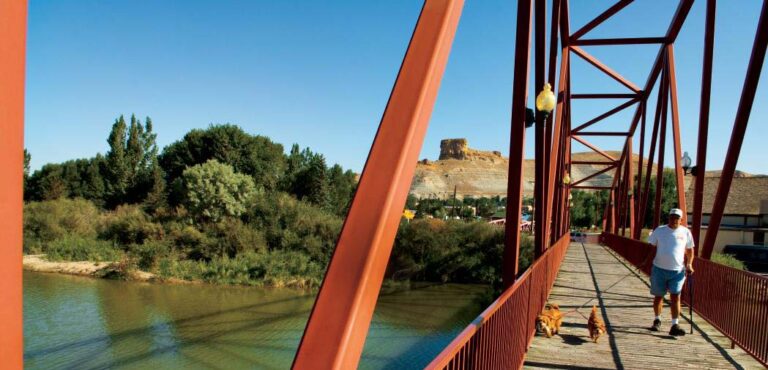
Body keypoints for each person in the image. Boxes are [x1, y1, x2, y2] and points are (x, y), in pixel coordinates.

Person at [647, 208, 695, 336]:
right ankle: (657, 320)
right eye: (672, 217)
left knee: (675, 296)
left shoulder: (685, 232)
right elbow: (650, 245)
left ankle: (675, 324)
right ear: (668, 218)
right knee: (659, 296)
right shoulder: (660, 230)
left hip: (677, 271)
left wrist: (689, 264)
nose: (674, 220)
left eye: (677, 218)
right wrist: (647, 261)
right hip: (659, 268)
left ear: (681, 220)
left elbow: (690, 250)